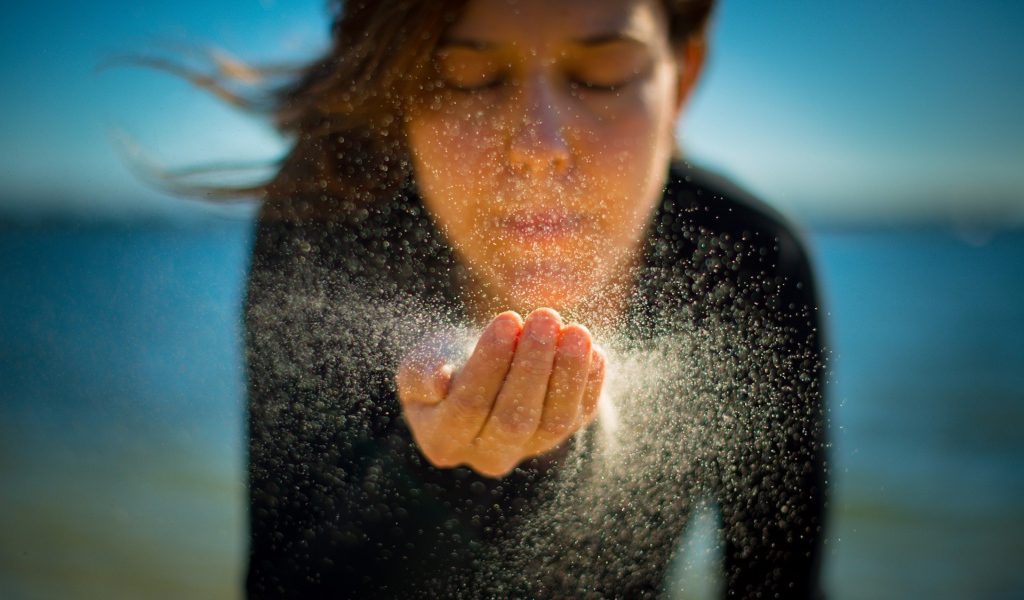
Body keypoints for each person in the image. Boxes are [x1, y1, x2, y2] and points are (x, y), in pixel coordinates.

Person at [239, 0, 828, 597]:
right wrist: (434, 468)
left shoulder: (746, 263)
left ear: (684, 78)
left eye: (603, 76)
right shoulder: (329, 221)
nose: (537, 146)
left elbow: (780, 586)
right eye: (468, 79)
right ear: (401, 90)